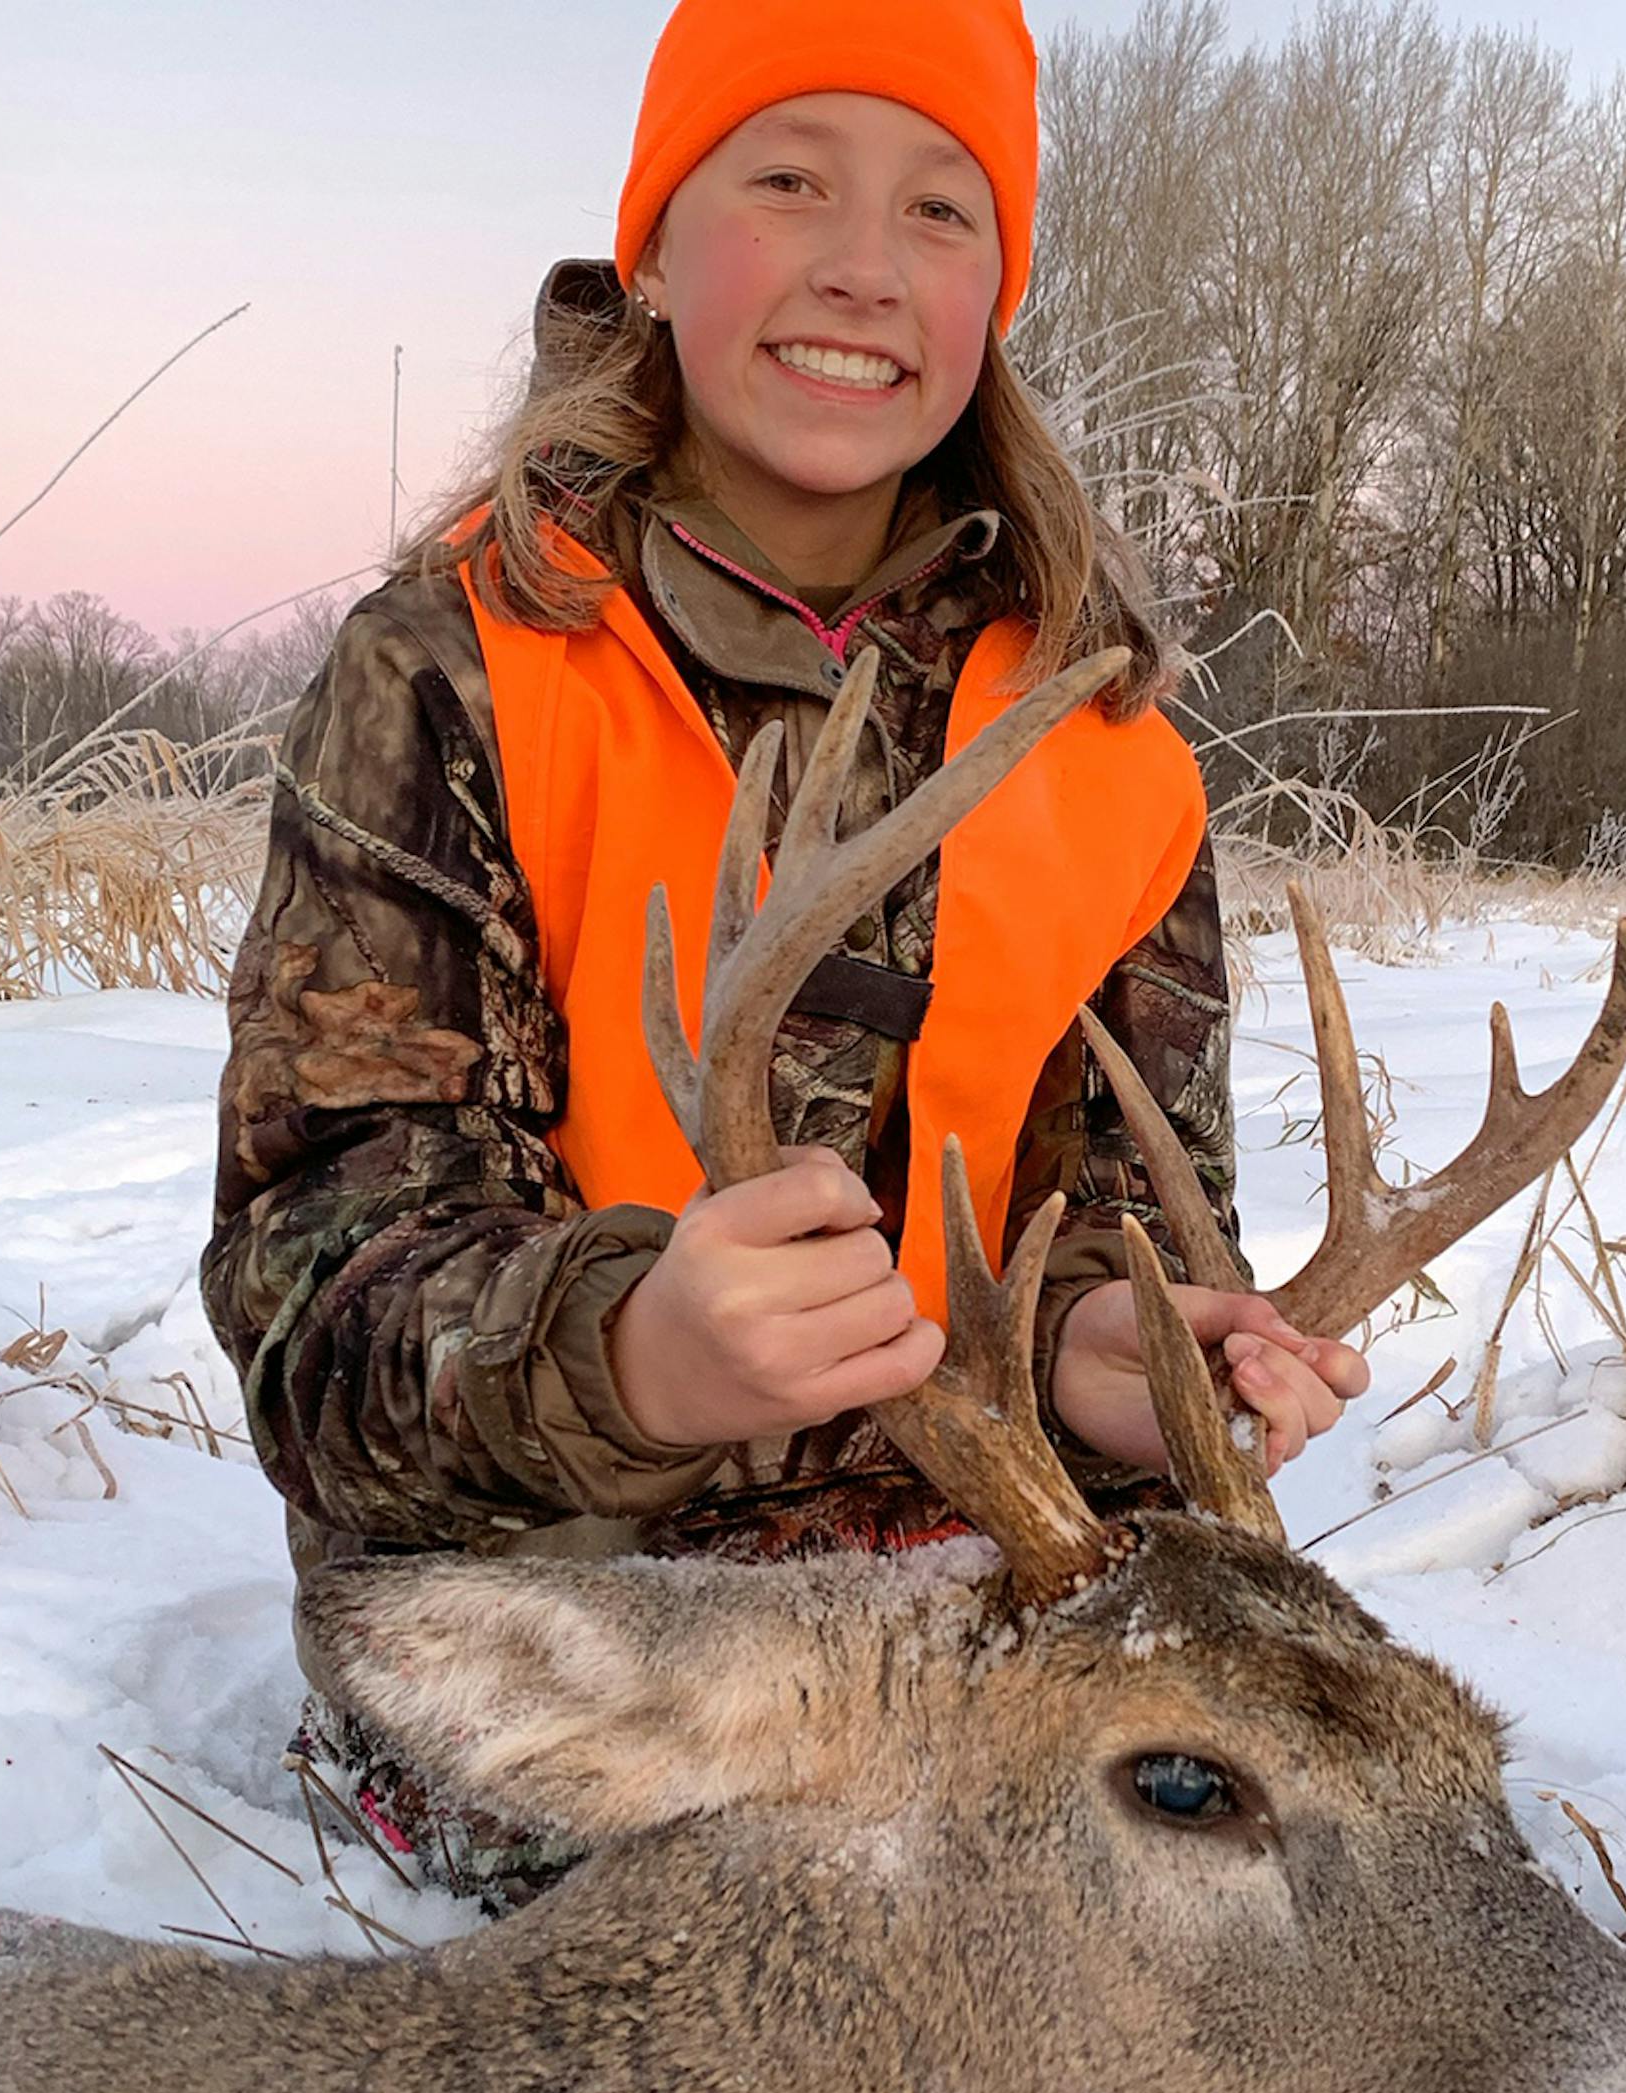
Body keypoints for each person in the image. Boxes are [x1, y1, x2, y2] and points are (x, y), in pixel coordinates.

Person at [203, 0, 1364, 1903]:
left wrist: (1114, 1353)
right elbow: (310, 1312)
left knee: (1311, 1857)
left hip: (1001, 1559)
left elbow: (1149, 1215)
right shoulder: (457, 671)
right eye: (789, 178)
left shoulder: (1105, 737)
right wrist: (637, 1351)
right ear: (652, 245)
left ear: (997, 288)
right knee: (815, 1934)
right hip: (568, 1592)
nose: (861, 266)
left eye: (939, 210)